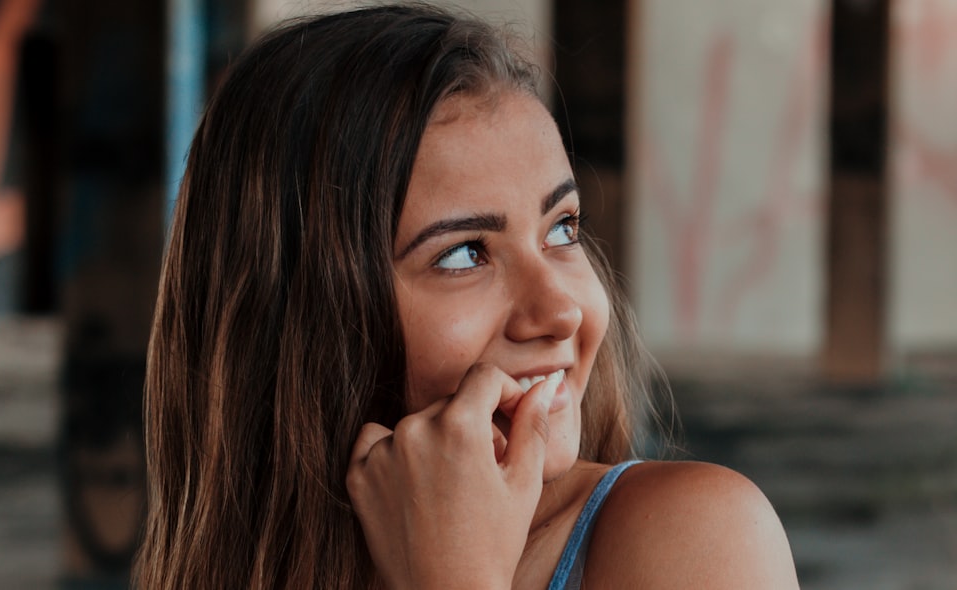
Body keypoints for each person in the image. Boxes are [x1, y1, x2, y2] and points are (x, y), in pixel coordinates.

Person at [135, 4, 799, 589]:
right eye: (464, 254)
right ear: (300, 317)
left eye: (561, 229)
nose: (561, 309)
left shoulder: (692, 536)